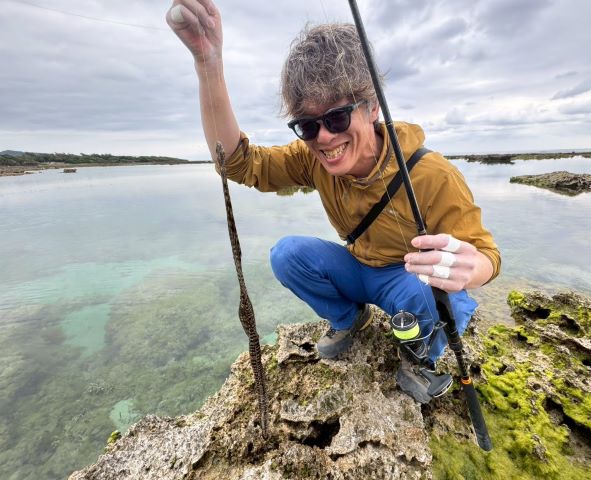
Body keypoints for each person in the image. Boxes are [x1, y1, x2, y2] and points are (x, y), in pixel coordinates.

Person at [167, 1, 500, 402]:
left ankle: (418, 357)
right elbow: (237, 163)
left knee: (432, 295)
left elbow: (485, 255)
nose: (324, 137)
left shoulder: (432, 174)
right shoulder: (312, 159)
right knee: (287, 255)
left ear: (372, 107)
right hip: (357, 269)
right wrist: (208, 62)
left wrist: (471, 268)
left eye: (337, 118)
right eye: (308, 125)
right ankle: (349, 318)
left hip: (407, 281)